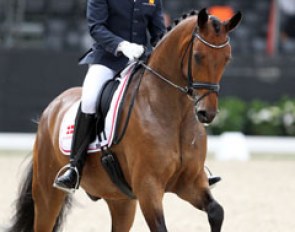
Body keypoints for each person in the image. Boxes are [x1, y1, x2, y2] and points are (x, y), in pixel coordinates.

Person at [53, 0, 166, 193]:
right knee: (89, 100)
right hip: (107, 59)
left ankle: (191, 165)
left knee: (172, 93)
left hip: (140, 60)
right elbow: (96, 27)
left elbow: (159, 33)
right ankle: (75, 167)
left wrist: (159, 52)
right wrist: (122, 46)